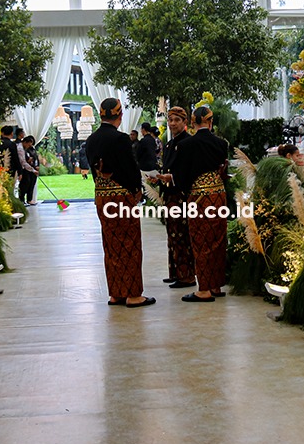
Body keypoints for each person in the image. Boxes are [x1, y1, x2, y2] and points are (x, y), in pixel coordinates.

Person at [86, 98, 154, 308]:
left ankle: (116, 293)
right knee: (130, 244)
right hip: (121, 197)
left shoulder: (91, 139)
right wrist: (137, 190)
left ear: (101, 115)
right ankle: (133, 295)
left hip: (102, 196)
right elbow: (130, 168)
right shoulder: (121, 139)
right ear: (120, 115)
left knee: (111, 244)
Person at [171, 106, 229, 302]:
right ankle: (216, 286)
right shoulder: (221, 144)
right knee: (218, 239)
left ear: (192, 123)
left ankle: (203, 289)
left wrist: (186, 190)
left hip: (198, 197)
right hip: (218, 195)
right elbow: (223, 169)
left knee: (200, 241)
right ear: (210, 122)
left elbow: (181, 177)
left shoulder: (186, 145)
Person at [156, 106, 196, 289]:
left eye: (176, 120)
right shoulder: (169, 144)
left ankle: (187, 276)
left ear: (184, 122)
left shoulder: (188, 143)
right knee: (172, 235)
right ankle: (175, 273)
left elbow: (189, 171)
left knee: (181, 236)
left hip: (181, 196)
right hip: (169, 195)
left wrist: (171, 178)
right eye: (170, 120)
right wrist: (159, 177)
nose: (172, 124)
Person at [17, 135, 39, 205]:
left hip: (28, 168)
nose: (29, 147)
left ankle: (28, 199)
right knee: (24, 185)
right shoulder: (20, 149)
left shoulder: (24, 148)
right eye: (28, 145)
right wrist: (33, 170)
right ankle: (21, 200)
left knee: (30, 184)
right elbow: (23, 162)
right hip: (22, 169)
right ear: (25, 142)